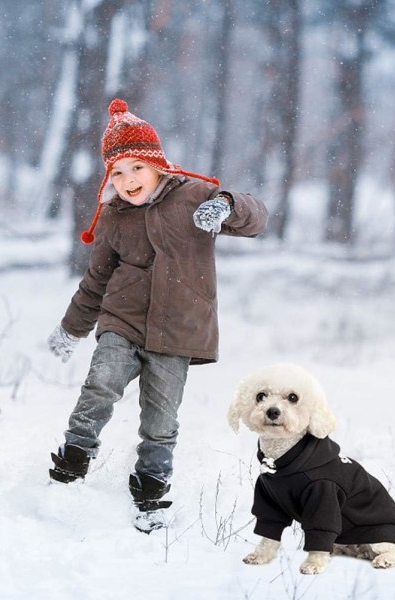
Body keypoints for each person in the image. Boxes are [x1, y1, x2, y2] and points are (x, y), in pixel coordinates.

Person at [47, 98, 268, 532]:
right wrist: (72, 327)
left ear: (157, 165)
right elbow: (95, 280)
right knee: (101, 382)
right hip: (122, 320)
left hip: (179, 331)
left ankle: (150, 486)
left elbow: (256, 217)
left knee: (161, 416)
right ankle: (74, 458)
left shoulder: (195, 197)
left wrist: (226, 204)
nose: (128, 180)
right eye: (117, 172)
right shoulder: (113, 218)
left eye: (136, 168)